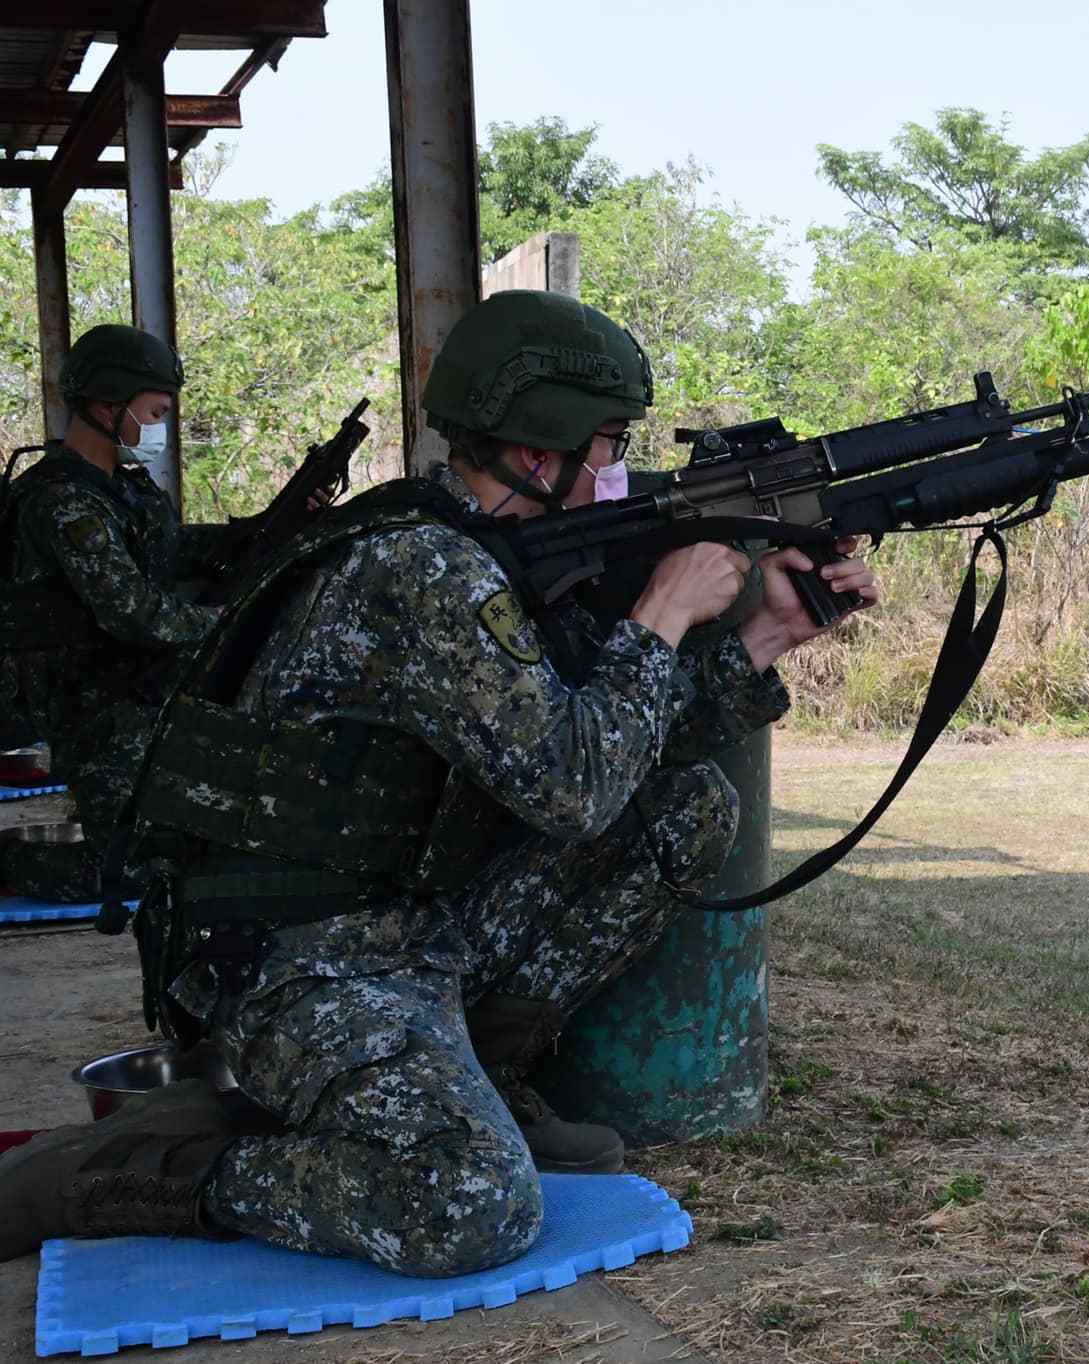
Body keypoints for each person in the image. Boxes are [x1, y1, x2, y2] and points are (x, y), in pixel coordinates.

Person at [0, 290, 877, 1277]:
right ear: (538, 452)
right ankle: (156, 1166)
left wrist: (763, 636)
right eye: (608, 444)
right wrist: (663, 611)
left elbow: (610, 746)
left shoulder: (482, 552)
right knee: (469, 1206)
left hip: (403, 917)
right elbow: (573, 785)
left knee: (685, 807)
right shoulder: (423, 570)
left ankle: (481, 1073)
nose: (618, 471)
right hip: (293, 956)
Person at [0, 325, 219, 903]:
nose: (161, 427)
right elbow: (136, 614)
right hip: (84, 700)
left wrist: (266, 532)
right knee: (132, 872)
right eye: (155, 411)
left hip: (122, 684)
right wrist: (224, 621)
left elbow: (174, 550)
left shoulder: (120, 487)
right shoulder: (64, 500)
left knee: (191, 841)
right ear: (106, 405)